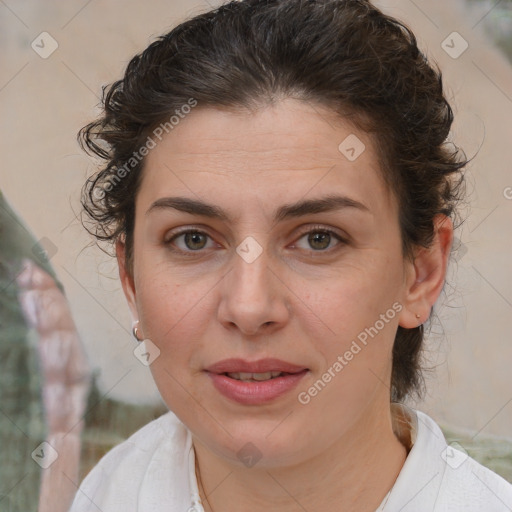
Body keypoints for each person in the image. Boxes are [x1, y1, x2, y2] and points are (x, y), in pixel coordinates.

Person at [69, 0, 512, 510]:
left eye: (319, 238)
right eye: (193, 239)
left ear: (421, 274)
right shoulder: (112, 491)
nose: (250, 307)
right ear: (130, 278)